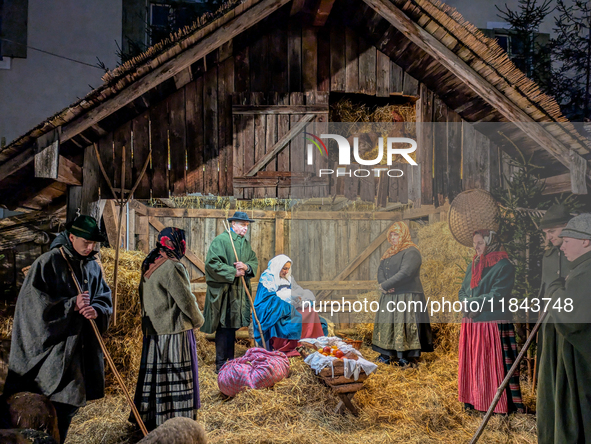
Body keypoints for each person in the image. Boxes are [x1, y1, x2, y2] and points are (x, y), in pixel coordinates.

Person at [4, 215, 112, 443]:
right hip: (51, 359)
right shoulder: (48, 263)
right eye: (85, 242)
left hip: (77, 357)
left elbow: (104, 297)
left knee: (66, 410)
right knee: (45, 414)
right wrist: (70, 304)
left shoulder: (92, 265)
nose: (90, 247)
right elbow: (32, 309)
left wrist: (97, 310)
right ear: (71, 237)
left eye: (94, 243)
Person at [132, 227, 204, 431]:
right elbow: (186, 300)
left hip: (154, 330)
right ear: (178, 243)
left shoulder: (151, 261)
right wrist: (198, 321)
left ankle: (155, 417)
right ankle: (179, 422)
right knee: (177, 376)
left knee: (157, 376)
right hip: (173, 331)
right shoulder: (172, 267)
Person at [457, 229, 524, 414]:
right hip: (472, 322)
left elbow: (497, 295)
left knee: (489, 365)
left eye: (480, 243)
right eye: (474, 244)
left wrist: (471, 303)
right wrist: (465, 302)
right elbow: (462, 290)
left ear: (491, 242)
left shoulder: (504, 266)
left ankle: (494, 405)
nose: (476, 247)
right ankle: (474, 400)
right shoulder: (475, 264)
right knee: (474, 364)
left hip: (491, 324)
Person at [541, 214, 591, 443]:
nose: (562, 247)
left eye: (567, 241)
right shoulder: (581, 268)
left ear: (586, 241)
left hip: (580, 368)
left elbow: (570, 316)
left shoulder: (586, 272)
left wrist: (553, 290)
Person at [201, 211, 259, 372]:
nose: (245, 228)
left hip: (239, 292)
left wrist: (246, 267)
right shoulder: (221, 241)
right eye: (242, 224)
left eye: (247, 225)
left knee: (232, 326)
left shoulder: (244, 243)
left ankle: (230, 362)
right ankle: (221, 365)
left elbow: (253, 260)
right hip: (225, 292)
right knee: (224, 326)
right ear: (233, 224)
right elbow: (211, 265)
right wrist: (232, 272)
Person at [372, 221, 433, 367]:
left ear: (404, 235)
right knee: (389, 326)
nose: (393, 238)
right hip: (390, 295)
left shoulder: (412, 251)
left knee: (405, 326)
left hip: (406, 296)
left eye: (396, 235)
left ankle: (404, 357)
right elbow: (381, 270)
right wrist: (384, 286)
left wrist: (388, 285)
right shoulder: (389, 252)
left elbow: (406, 273)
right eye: (391, 235)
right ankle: (386, 354)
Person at [536, 204, 571, 440]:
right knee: (550, 372)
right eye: (546, 233)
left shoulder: (578, 253)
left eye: (553, 231)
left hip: (570, 323)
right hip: (550, 322)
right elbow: (544, 288)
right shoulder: (547, 256)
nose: (549, 237)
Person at [253, 254, 326, 355]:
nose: (286, 271)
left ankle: (308, 344)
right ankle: (289, 346)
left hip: (290, 305)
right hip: (276, 309)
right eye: (284, 268)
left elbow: (296, 290)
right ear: (278, 266)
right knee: (297, 316)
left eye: (288, 269)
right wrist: (287, 302)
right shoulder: (268, 277)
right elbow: (266, 299)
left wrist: (301, 298)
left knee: (310, 312)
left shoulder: (287, 278)